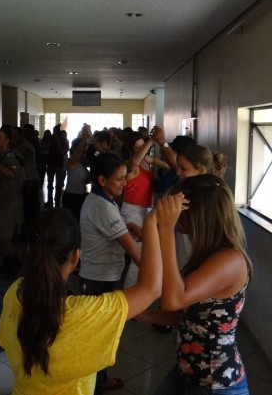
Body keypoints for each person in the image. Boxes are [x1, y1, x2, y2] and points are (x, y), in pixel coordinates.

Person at [0, 199, 178, 395]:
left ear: (29, 250)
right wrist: (152, 224)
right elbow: (151, 289)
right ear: (76, 257)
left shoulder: (14, 292)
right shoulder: (83, 314)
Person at [138, 174, 253, 395]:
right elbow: (192, 317)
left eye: (181, 209)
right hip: (190, 372)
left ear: (198, 214)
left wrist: (165, 229)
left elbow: (173, 300)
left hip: (215, 383)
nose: (177, 215)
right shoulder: (207, 256)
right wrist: (147, 316)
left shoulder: (230, 260)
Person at [78, 151, 142, 393]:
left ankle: (100, 380)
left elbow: (111, 229)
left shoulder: (102, 199)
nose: (125, 183)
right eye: (119, 179)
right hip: (98, 279)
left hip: (102, 275)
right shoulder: (102, 206)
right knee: (98, 336)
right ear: (102, 180)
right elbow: (134, 253)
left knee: (100, 333)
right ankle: (94, 386)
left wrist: (126, 226)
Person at [120, 131, 169, 287]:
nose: (143, 149)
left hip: (146, 209)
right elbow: (135, 163)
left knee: (145, 252)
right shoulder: (129, 164)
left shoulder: (146, 162)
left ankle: (140, 287)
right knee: (139, 254)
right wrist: (151, 141)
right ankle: (130, 292)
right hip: (132, 211)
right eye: (138, 147)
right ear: (131, 150)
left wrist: (167, 165)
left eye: (143, 146)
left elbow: (158, 162)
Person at [0, 128, 24, 280]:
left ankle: (15, 265)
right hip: (0, 201)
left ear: (7, 141)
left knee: (3, 236)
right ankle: (8, 263)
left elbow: (12, 174)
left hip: (10, 203)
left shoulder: (10, 158)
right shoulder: (0, 156)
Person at [62, 125, 91, 221]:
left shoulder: (82, 162)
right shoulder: (71, 161)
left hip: (81, 196)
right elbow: (79, 151)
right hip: (71, 197)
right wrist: (84, 137)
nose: (85, 148)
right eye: (84, 146)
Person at [46, 124, 69, 207]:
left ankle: (56, 202)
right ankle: (52, 201)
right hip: (53, 164)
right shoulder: (53, 139)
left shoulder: (63, 140)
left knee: (57, 185)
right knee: (51, 184)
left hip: (57, 164)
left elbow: (63, 151)